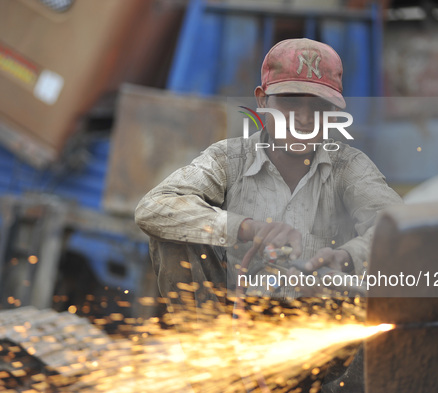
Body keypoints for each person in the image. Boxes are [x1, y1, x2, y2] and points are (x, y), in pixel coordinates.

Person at [135, 38, 402, 310]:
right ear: (262, 100)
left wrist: (346, 258)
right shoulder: (230, 159)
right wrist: (248, 228)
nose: (304, 118)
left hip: (321, 327)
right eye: (290, 102)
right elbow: (153, 207)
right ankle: (203, 347)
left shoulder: (350, 167)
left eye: (319, 107)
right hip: (233, 322)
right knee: (172, 232)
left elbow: (400, 228)